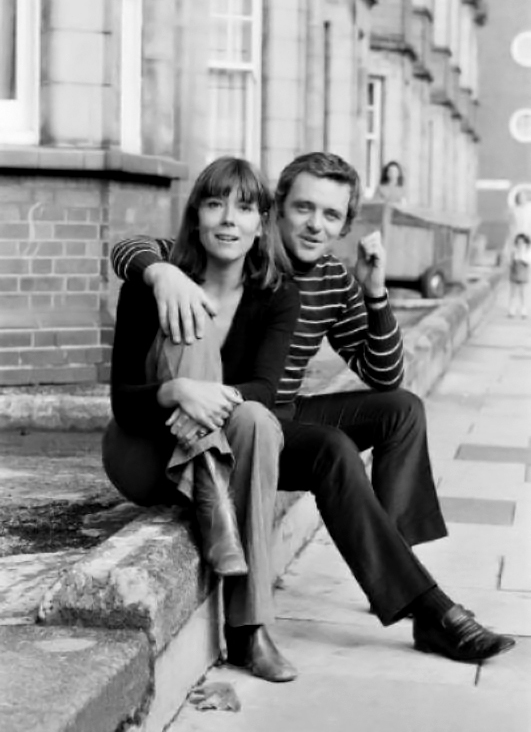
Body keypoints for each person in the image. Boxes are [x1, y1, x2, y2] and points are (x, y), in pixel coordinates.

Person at [111, 152, 515, 665]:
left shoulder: (324, 281)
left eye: (330, 215)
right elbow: (130, 248)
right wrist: (160, 272)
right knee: (329, 447)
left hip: (272, 411)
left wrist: (374, 294)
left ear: (345, 225)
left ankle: (392, 571)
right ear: (275, 208)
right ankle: (414, 595)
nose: (314, 224)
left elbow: (385, 376)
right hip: (225, 421)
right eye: (303, 207)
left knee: (402, 408)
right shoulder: (213, 254)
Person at [104, 156, 301, 682]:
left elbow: (264, 388)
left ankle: (248, 630)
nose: (228, 220)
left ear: (262, 223)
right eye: (214, 204)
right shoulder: (153, 286)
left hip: (220, 439)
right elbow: (123, 403)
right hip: (142, 453)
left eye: (243, 207)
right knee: (189, 329)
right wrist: (178, 390)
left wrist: (208, 407)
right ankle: (213, 485)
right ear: (196, 217)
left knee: (258, 421)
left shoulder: (278, 295)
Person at [508, 232, 530, 318]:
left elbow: (528, 262)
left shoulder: (528, 253)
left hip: (523, 275)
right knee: (513, 293)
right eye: (518, 242)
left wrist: (521, 255)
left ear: (525, 243)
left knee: (523, 293)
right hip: (514, 273)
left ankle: (523, 310)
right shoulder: (514, 252)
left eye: (522, 242)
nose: (520, 244)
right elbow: (510, 263)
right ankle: (512, 310)